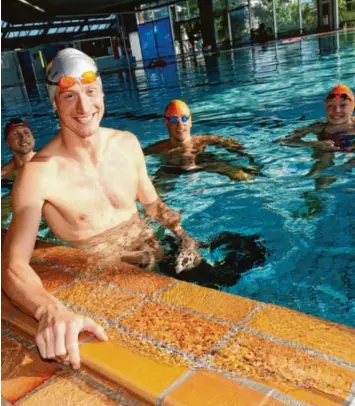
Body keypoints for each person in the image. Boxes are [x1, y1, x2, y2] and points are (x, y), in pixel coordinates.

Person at [2, 48, 202, 371]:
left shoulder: (127, 143)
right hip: (116, 283)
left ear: (102, 94)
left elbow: (152, 205)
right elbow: (12, 267)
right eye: (69, 97)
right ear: (54, 103)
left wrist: (183, 237)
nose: (84, 107)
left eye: (90, 92)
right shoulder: (37, 175)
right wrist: (49, 309)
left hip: (162, 258)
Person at [144, 99, 259, 186]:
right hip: (171, 169)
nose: (180, 125)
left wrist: (248, 158)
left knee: (243, 176)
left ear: (190, 121)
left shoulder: (204, 140)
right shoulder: (157, 148)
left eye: (184, 119)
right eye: (174, 120)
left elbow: (234, 145)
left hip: (204, 162)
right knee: (153, 193)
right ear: (166, 123)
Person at [275, 83, 355, 151]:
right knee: (324, 157)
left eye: (343, 105)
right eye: (330, 106)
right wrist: (314, 144)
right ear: (325, 108)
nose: (336, 110)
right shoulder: (318, 127)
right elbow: (282, 141)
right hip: (326, 155)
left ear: (352, 107)